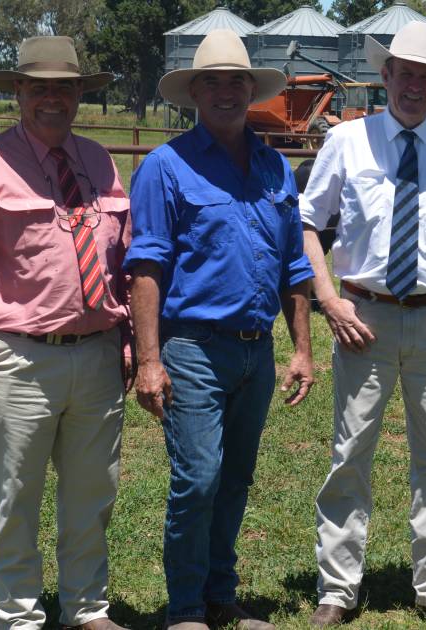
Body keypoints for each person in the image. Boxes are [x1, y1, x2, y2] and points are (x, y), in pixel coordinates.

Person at [299, 21, 426, 629]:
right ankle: (337, 590)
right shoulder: (348, 142)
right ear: (385, 74)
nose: (415, 85)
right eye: (405, 72)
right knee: (350, 453)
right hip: (361, 320)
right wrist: (329, 301)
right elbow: (308, 222)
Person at [0, 36, 131, 630]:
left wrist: (125, 339)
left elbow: (119, 257)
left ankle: (86, 608)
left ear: (78, 94)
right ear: (18, 92)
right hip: (19, 356)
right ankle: (16, 614)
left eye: (63, 88)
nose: (52, 99)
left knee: (93, 495)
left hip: (95, 355)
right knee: (15, 495)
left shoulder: (98, 161)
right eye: (38, 87)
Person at [124, 30, 315, 630]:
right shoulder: (166, 167)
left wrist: (303, 348)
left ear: (252, 91)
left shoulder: (275, 167)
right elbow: (147, 268)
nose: (227, 92)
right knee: (199, 477)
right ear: (195, 92)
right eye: (214, 81)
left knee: (234, 479)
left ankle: (220, 592)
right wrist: (149, 360)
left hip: (257, 352)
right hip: (192, 350)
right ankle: (184, 606)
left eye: (238, 81)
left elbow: (294, 265)